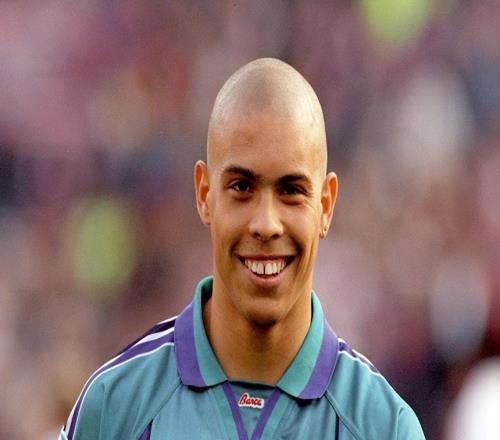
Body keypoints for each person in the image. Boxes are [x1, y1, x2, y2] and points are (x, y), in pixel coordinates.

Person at [60, 58, 425, 440]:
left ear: (326, 205)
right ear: (204, 194)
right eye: (242, 187)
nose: (266, 224)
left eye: (291, 190)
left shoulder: (385, 426)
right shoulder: (113, 407)